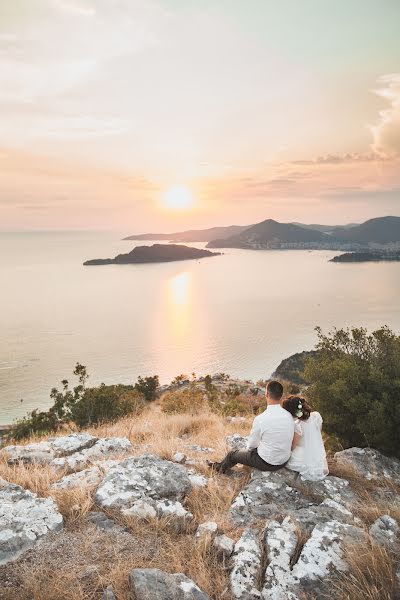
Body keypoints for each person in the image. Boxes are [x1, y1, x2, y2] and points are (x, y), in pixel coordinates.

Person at [207, 380, 294, 474]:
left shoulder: (261, 419)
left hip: (267, 463)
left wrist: (251, 451)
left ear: (266, 394)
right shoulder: (289, 416)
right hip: (284, 461)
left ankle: (218, 469)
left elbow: (252, 445)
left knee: (233, 454)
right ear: (281, 395)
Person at [282, 396, 328, 481]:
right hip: (317, 454)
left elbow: (292, 447)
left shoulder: (297, 425)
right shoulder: (316, 416)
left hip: (303, 457)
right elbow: (318, 434)